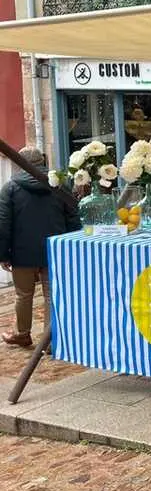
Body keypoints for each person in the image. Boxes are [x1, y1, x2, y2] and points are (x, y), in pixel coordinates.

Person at [0, 147, 81, 347]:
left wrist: (3, 254)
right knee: (51, 295)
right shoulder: (59, 185)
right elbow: (73, 216)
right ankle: (50, 341)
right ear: (42, 161)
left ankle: (22, 333)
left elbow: (3, 223)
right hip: (55, 249)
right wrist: (72, 247)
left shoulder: (10, 188)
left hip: (22, 251)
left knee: (23, 294)